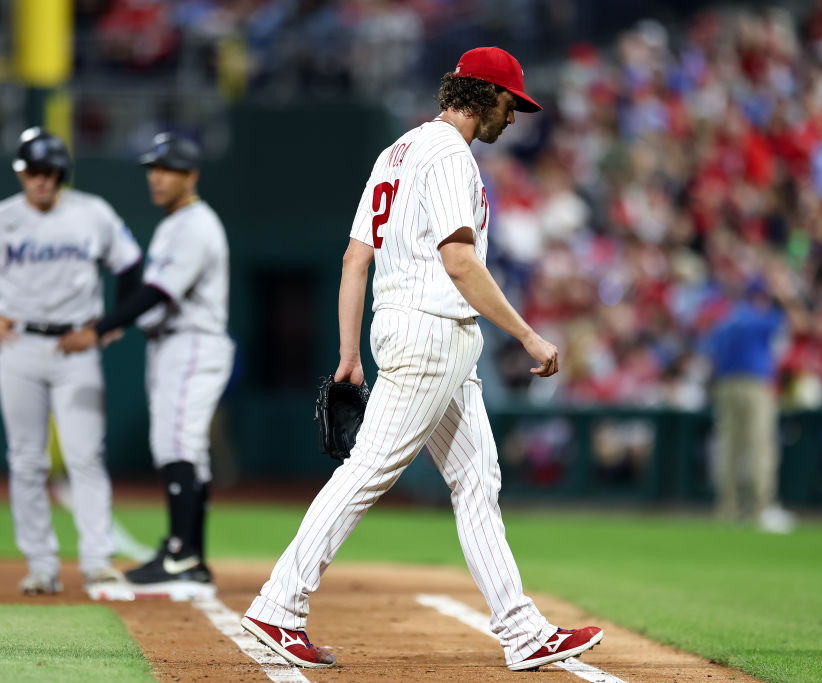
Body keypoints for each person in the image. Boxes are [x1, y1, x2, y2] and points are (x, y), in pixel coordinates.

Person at [239, 46, 604, 671]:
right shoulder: (448, 155)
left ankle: (521, 630)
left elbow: (356, 260)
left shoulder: (396, 152)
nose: (513, 117)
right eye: (510, 103)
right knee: (368, 471)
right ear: (484, 93)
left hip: (416, 331)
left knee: (476, 480)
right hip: (432, 331)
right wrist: (528, 335)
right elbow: (460, 262)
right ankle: (279, 606)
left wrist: (350, 352)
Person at [0, 127, 143, 595]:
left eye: (49, 171)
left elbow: (131, 267)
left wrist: (110, 323)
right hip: (20, 345)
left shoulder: (92, 213)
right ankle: (41, 564)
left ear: (61, 173)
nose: (41, 180)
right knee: (27, 459)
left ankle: (96, 561)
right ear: (22, 173)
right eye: (33, 171)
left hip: (76, 348)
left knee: (85, 454)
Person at [58, 132, 234, 600]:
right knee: (185, 448)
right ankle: (189, 556)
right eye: (152, 169)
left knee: (175, 442)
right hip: (173, 342)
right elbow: (149, 295)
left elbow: (158, 293)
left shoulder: (196, 225)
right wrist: (119, 323)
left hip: (192, 342)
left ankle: (180, 554)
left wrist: (99, 328)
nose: (156, 177)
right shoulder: (175, 224)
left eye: (167, 169)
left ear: (191, 176)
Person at [708, 274, 802, 533]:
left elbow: (712, 355)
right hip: (754, 385)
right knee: (760, 446)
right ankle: (762, 508)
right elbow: (797, 324)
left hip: (725, 386)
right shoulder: (762, 319)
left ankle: (728, 509)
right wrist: (786, 298)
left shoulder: (726, 320)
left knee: (729, 448)